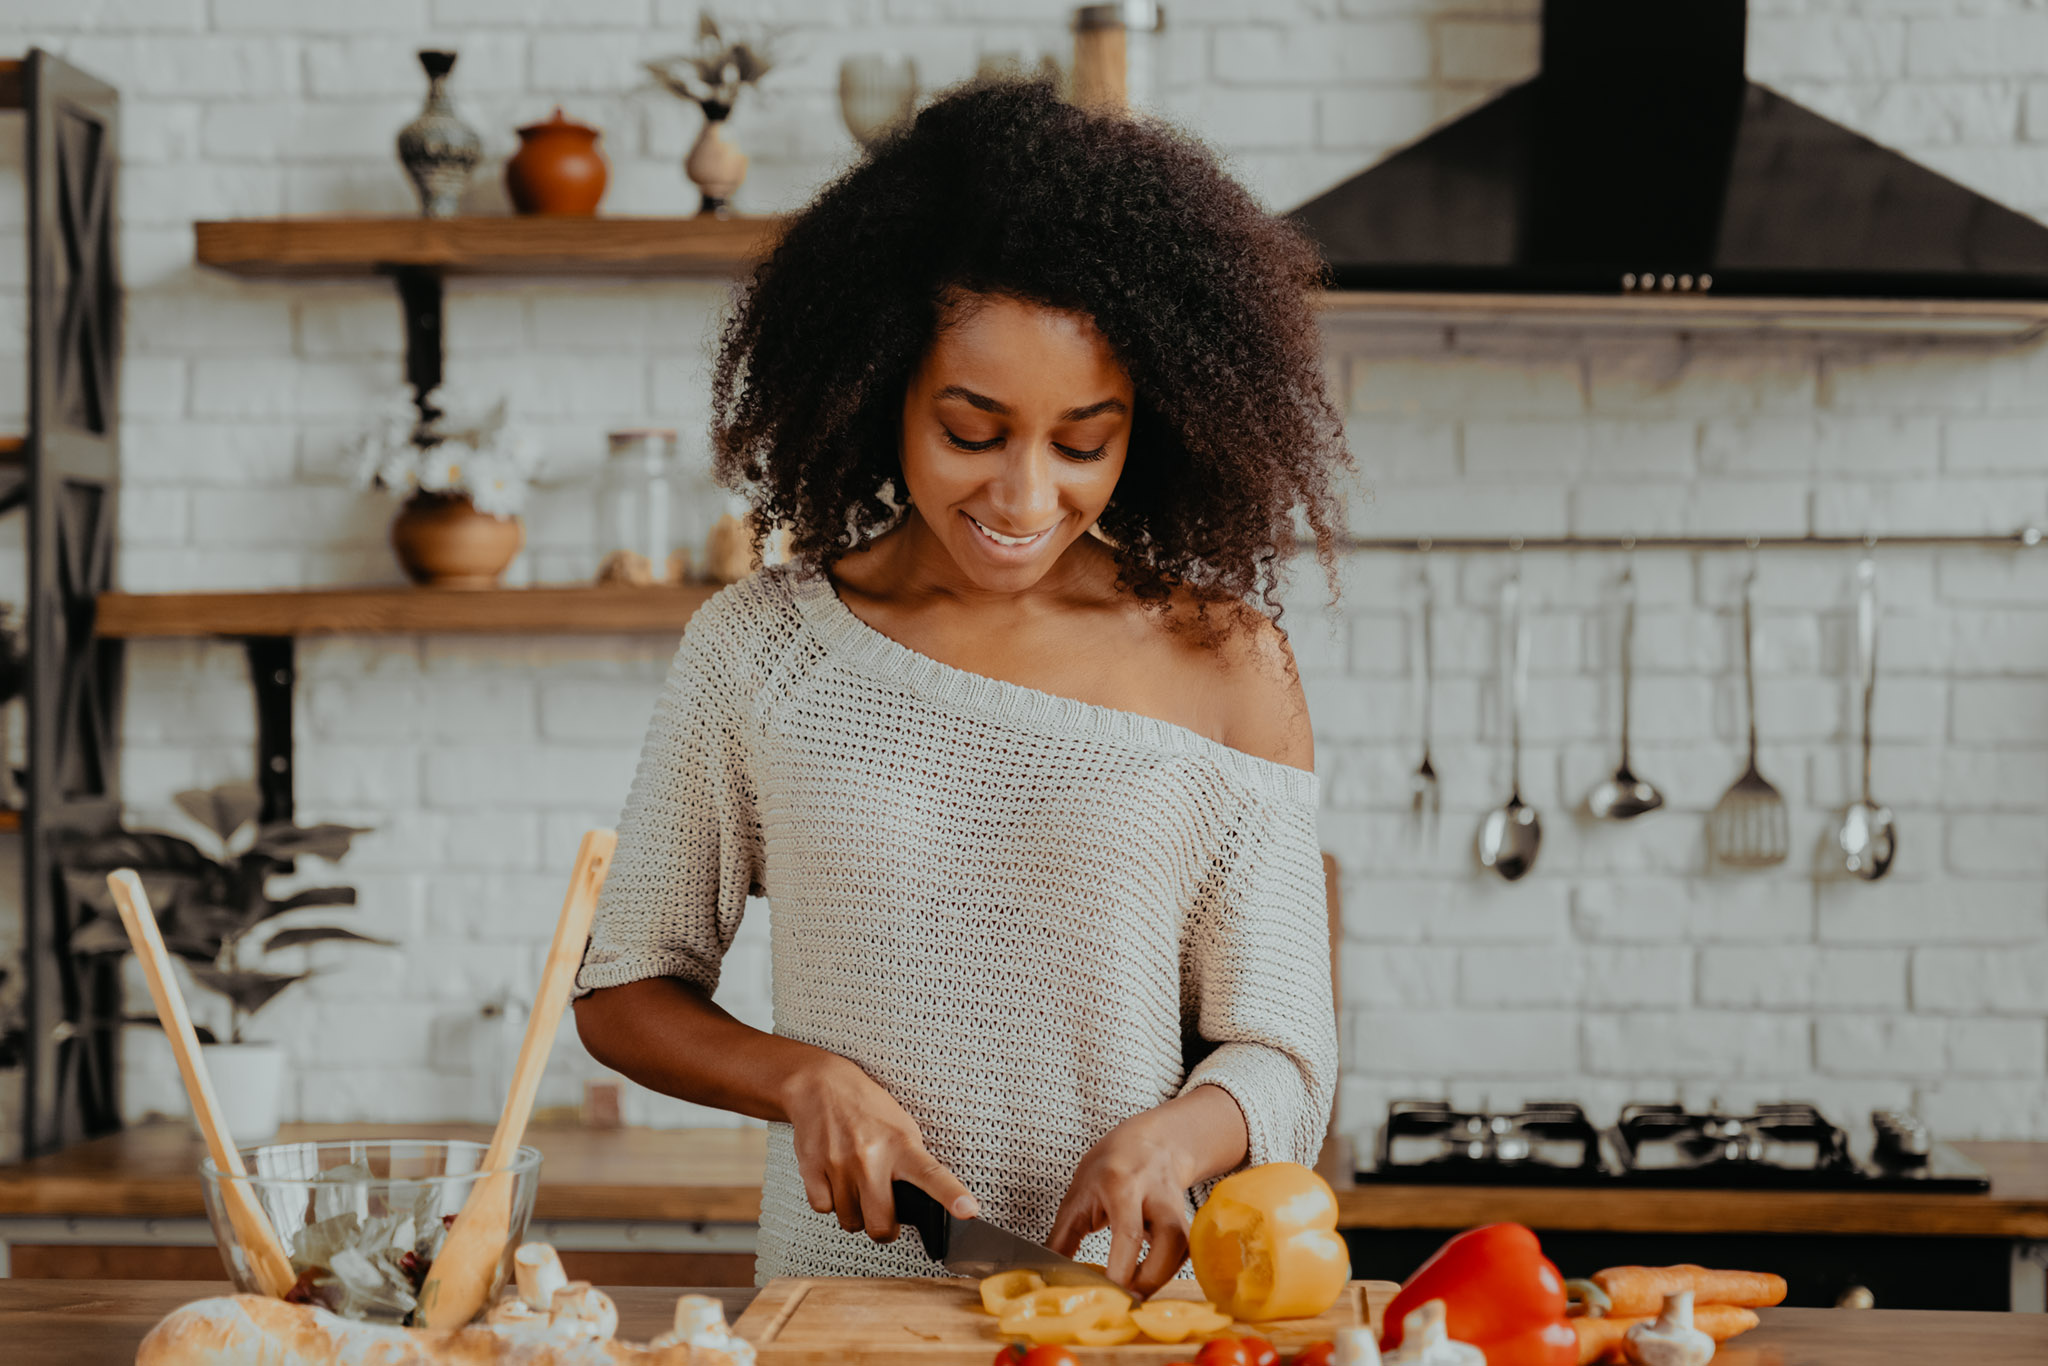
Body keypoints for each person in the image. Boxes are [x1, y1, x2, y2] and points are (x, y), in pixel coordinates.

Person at [573, 79, 1350, 1295]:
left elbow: (1284, 1056)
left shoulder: (1227, 661)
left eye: (1082, 441)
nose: (1025, 498)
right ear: (878, 385)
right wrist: (799, 1078)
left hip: (1119, 1315)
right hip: (841, 1312)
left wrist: (1176, 1137)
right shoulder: (761, 649)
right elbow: (622, 988)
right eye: (972, 431)